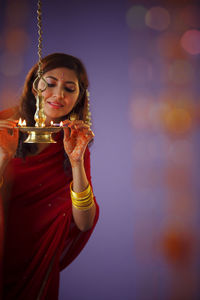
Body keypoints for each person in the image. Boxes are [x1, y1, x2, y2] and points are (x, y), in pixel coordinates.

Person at [0, 53, 99, 300]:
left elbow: (84, 223)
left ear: (79, 98)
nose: (58, 95)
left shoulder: (73, 143)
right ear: (34, 87)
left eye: (69, 89)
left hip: (35, 260)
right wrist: (3, 158)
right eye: (50, 83)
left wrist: (76, 162)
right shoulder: (4, 127)